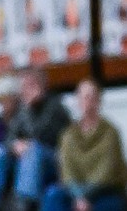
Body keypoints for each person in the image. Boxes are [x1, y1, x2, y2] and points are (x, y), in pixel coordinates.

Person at [0, 67, 72, 211]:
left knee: (33, 149)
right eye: (23, 86)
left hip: (53, 159)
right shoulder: (23, 108)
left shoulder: (55, 105)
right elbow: (9, 137)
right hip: (29, 159)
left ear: (42, 85)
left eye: (30, 84)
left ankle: (26, 204)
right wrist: (15, 145)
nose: (25, 90)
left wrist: (32, 107)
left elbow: (41, 134)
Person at [41, 79, 127, 211]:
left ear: (99, 100)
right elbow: (66, 171)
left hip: (105, 191)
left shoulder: (110, 132)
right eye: (84, 97)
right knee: (53, 195)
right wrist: (79, 196)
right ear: (78, 101)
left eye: (92, 97)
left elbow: (108, 171)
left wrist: (86, 196)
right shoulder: (68, 135)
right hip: (75, 192)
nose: (88, 101)